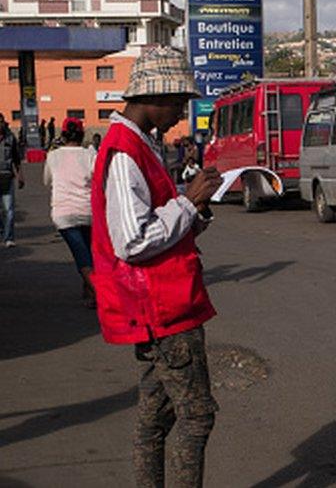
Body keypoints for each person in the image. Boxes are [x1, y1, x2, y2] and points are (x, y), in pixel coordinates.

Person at [89, 46, 223, 488]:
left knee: (155, 418)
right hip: (163, 309)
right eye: (179, 104)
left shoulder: (137, 145)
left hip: (157, 308)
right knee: (196, 416)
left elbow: (157, 227)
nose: (180, 115)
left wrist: (193, 210)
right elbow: (134, 240)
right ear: (157, 97)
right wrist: (189, 201)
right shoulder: (125, 151)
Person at [43, 117, 97, 307]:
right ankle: (90, 292)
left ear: (63, 135)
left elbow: (46, 180)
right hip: (89, 211)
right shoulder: (90, 154)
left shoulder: (53, 156)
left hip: (64, 213)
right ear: (82, 134)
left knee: (81, 255)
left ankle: (98, 294)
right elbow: (98, 180)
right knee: (89, 251)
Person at [0, 114, 24, 248]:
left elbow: (16, 159)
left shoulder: (10, 138)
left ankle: (9, 237)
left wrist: (20, 175)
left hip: (7, 178)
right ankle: (3, 230)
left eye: (1, 122)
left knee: (9, 210)